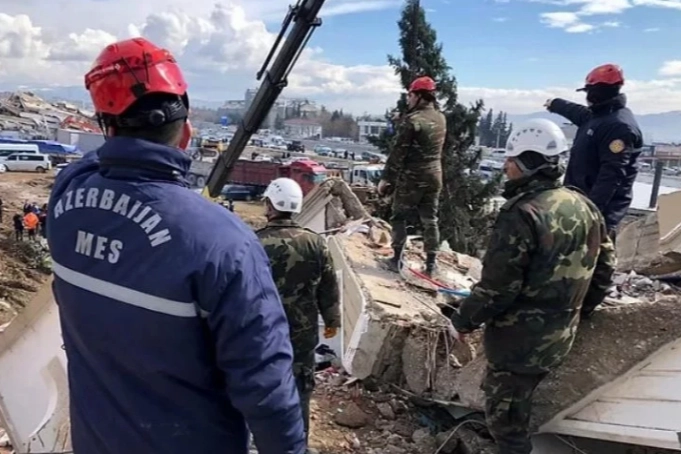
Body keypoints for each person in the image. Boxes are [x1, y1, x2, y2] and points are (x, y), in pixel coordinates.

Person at [46, 38, 305, 454]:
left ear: (106, 127)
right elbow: (266, 388)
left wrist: (120, 143)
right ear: (186, 132)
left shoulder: (66, 200)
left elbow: (90, 164)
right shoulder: (226, 243)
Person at [448, 119, 616, 454]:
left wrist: (462, 322)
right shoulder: (584, 205)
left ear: (528, 163)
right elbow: (605, 268)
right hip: (560, 337)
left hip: (518, 344)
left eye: (511, 160)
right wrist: (581, 312)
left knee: (507, 424)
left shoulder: (521, 214)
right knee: (521, 406)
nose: (505, 167)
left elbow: (498, 289)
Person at [255, 178, 341, 451]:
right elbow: (329, 287)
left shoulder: (256, 242)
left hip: (263, 332)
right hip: (302, 334)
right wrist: (332, 321)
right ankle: (297, 444)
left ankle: (260, 443)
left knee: (261, 385)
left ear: (271, 206)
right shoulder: (315, 243)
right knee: (300, 388)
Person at [545, 63, 642, 241]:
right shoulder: (600, 115)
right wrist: (556, 104)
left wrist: (589, 212)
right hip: (580, 204)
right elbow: (578, 113)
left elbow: (610, 176)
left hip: (598, 215)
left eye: (589, 91)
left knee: (591, 255)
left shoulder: (619, 127)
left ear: (595, 92)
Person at [377, 76, 446, 275]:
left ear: (418, 96)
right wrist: (403, 120)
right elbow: (424, 131)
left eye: (410, 95)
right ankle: (431, 265)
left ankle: (396, 260)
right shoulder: (440, 118)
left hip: (413, 177)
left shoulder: (412, 121)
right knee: (430, 219)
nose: (408, 99)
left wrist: (386, 179)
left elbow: (398, 153)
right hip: (435, 175)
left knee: (399, 216)